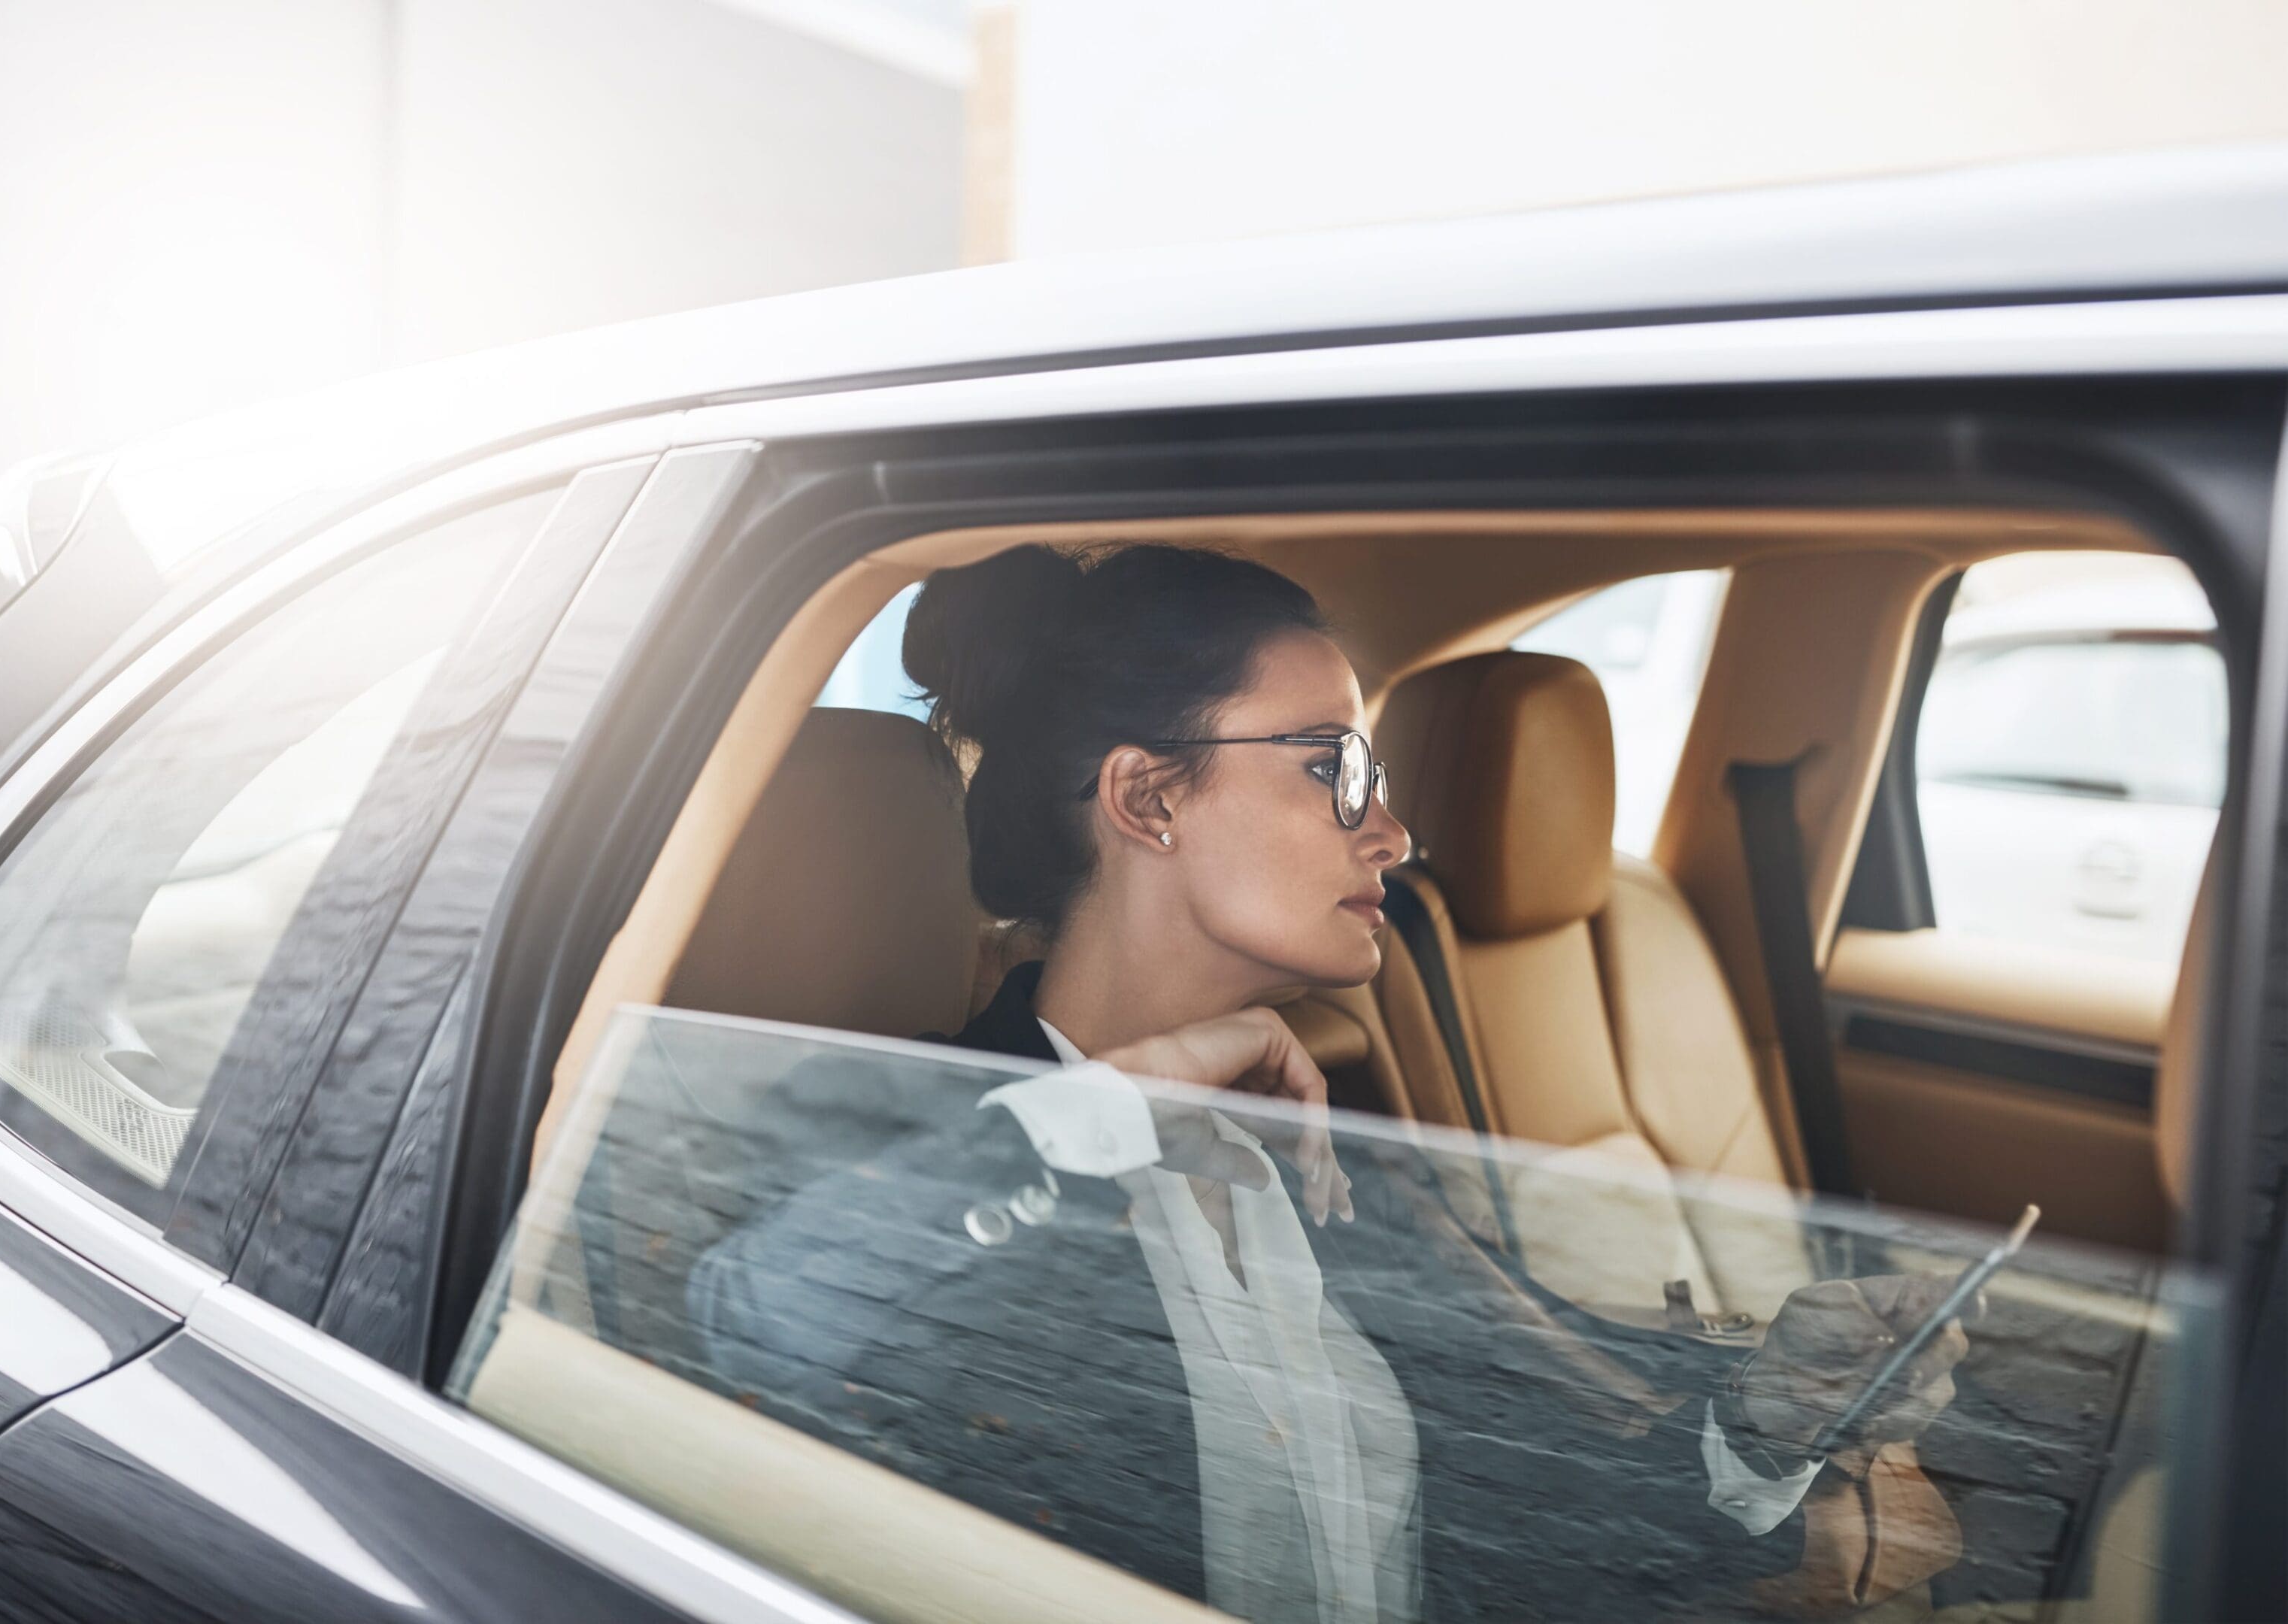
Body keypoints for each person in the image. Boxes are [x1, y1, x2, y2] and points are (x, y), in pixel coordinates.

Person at [683, 543, 1967, 1622]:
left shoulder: (1326, 1163)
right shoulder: (898, 1139)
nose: (1393, 833)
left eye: (1379, 779)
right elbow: (759, 1324)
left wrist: (1767, 1420)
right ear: (1147, 797)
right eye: (1332, 768)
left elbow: (1519, 1519)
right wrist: (1123, 1103)